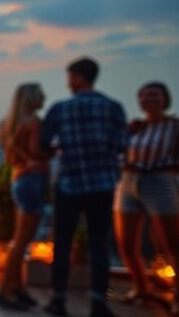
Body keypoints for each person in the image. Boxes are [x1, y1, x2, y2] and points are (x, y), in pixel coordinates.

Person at [40, 57, 127, 317]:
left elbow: (45, 143)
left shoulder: (60, 109)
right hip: (102, 183)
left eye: (70, 76)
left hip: (69, 183)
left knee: (63, 243)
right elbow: (123, 145)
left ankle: (59, 299)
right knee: (99, 244)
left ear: (78, 77)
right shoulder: (113, 107)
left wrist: (61, 149)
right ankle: (98, 301)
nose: (68, 82)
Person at [114, 81, 179, 314]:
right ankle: (142, 288)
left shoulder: (174, 126)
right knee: (127, 242)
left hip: (159, 181)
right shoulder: (136, 127)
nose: (150, 99)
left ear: (165, 99)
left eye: (155, 95)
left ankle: (176, 296)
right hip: (129, 181)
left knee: (171, 243)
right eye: (145, 96)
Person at [0, 83, 49, 310]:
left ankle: (18, 288)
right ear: (33, 99)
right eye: (40, 95)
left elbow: (11, 157)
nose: (44, 98)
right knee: (21, 242)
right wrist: (53, 151)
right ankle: (5, 292)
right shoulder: (34, 122)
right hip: (32, 180)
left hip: (18, 179)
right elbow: (37, 152)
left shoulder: (7, 124)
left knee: (19, 240)